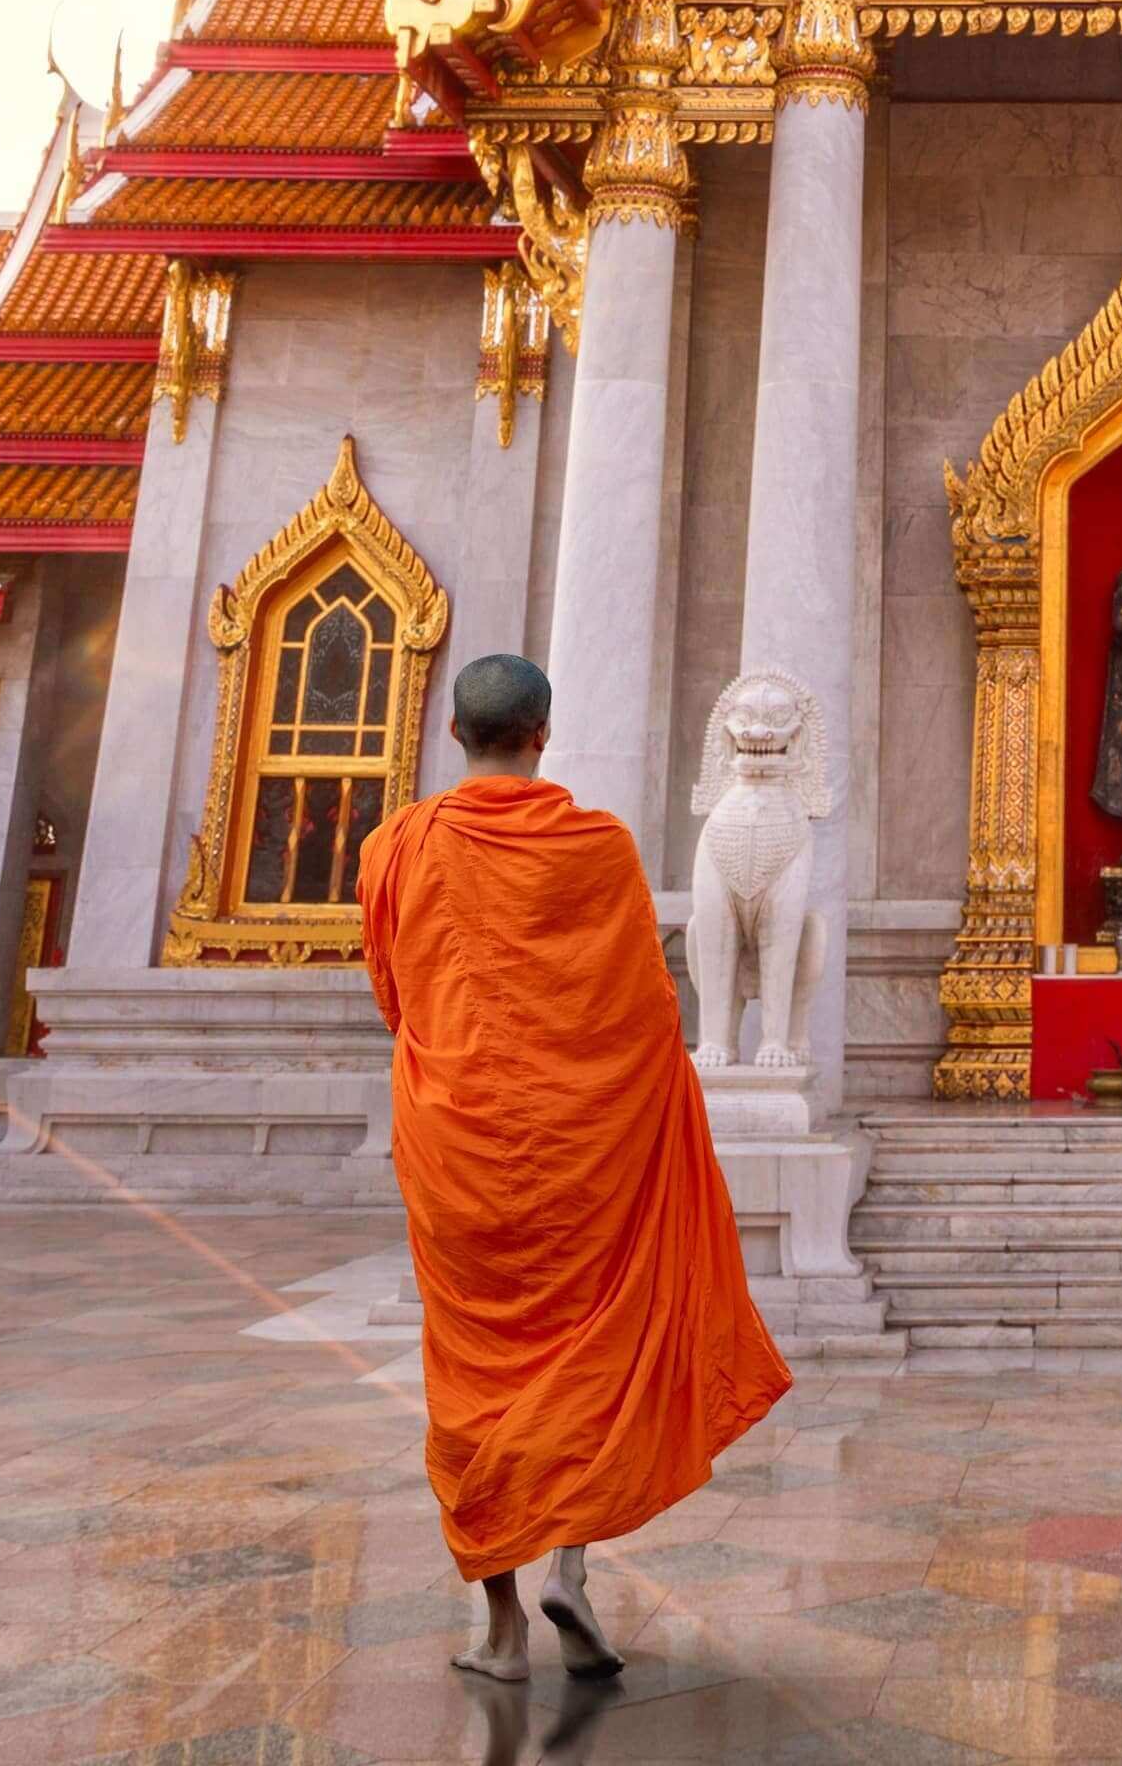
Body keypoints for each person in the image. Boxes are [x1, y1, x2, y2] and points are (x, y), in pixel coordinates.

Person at [362, 648, 791, 1688]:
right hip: (583, 1151)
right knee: (582, 1357)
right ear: (541, 735)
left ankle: (501, 1631)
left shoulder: (396, 846)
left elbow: (394, 989)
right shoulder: (596, 843)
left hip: (456, 1141)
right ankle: (569, 1566)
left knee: (476, 1376)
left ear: (453, 734)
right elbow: (647, 1007)